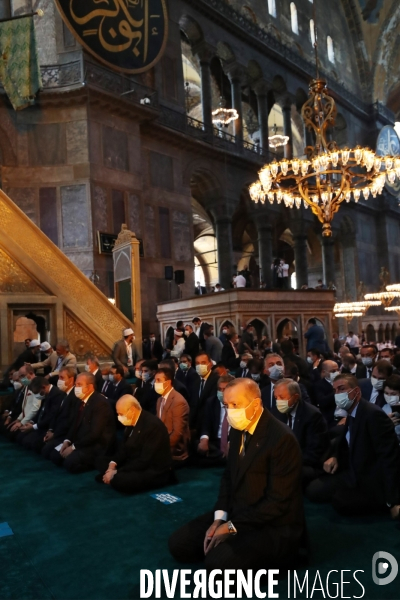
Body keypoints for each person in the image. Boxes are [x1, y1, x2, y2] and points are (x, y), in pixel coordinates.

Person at [169, 378, 305, 570]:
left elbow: (277, 503)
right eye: (226, 405)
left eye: (235, 404)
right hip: (238, 512)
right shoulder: (238, 429)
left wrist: (231, 527)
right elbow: (228, 478)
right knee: (178, 544)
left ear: (256, 404)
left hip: (272, 525)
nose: (230, 411)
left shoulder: (282, 439)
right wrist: (219, 517)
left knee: (217, 566)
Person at [306, 374, 400, 517]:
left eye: (341, 389)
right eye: (335, 390)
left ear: (356, 391)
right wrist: (335, 457)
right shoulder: (351, 411)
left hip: (368, 477)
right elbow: (345, 440)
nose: (337, 394)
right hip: (350, 469)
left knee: (341, 502)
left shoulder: (373, 414)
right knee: (313, 490)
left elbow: (388, 457)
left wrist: (392, 501)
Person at [95, 395, 172, 493]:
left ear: (132, 410)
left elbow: (144, 461)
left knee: (121, 481)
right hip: (133, 461)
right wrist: (112, 464)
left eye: (121, 414)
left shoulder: (152, 426)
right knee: (100, 460)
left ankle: (113, 477)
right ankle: (110, 475)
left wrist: (117, 471)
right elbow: (124, 448)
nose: (119, 417)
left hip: (152, 469)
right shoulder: (131, 421)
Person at [49, 372, 115, 473]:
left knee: (69, 464)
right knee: (54, 455)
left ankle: (95, 463)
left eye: (79, 385)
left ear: (90, 387)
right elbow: (74, 424)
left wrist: (73, 447)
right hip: (80, 441)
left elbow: (95, 434)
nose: (76, 387)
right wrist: (67, 441)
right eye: (76, 384)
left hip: (96, 444)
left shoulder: (100, 404)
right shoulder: (80, 401)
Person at [273, 378, 329, 485]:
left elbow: (314, 452)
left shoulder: (312, 415)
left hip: (305, 463)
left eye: (282, 397)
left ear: (296, 397)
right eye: (276, 397)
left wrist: (288, 461)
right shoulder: (277, 412)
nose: (278, 401)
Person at [41, 367, 80, 459]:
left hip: (65, 435)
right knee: (41, 447)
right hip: (57, 431)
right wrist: (51, 430)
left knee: (52, 455)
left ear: (71, 380)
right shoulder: (62, 394)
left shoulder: (75, 397)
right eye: (59, 378)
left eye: (62, 378)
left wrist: (55, 434)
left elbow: (69, 421)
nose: (59, 380)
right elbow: (55, 414)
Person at [19, 377, 66, 452]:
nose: (37, 395)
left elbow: (52, 416)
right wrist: (31, 422)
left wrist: (34, 426)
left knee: (33, 444)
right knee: (21, 437)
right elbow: (41, 411)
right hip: (41, 425)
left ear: (44, 387)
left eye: (37, 392)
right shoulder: (46, 393)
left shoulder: (57, 394)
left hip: (48, 427)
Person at [155, 368, 190, 464]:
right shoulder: (159, 400)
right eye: (155, 380)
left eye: (159, 380)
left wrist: (159, 447)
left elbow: (177, 433)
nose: (155, 383)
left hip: (175, 450)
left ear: (168, 382)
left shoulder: (178, 401)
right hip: (161, 443)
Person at [198, 374, 234, 463]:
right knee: (196, 446)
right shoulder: (211, 402)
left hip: (232, 440)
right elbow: (206, 425)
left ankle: (220, 458)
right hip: (215, 441)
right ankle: (222, 457)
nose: (221, 392)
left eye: (224, 389)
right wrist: (204, 439)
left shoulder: (239, 404)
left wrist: (230, 443)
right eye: (219, 389)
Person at [191, 353, 220, 438]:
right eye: (197, 363)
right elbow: (193, 404)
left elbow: (211, 406)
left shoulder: (216, 380)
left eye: (203, 363)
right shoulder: (194, 379)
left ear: (210, 364)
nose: (200, 365)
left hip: (209, 427)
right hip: (195, 427)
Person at [313, 360, 342, 429]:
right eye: (333, 371)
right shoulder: (319, 385)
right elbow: (322, 402)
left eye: (337, 370)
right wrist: (336, 391)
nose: (336, 373)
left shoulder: (344, 382)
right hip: (331, 420)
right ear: (324, 372)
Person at [382, 375, 400, 442]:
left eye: (393, 394)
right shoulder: (383, 408)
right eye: (386, 393)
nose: (389, 396)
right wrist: (386, 424)